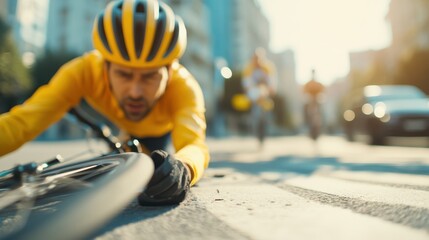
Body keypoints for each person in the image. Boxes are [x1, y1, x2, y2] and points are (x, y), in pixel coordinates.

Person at [0, 0, 209, 206]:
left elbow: (194, 145)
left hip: (157, 134)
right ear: (105, 66)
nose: (135, 92)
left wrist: (184, 168)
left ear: (170, 70)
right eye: (124, 75)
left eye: (149, 77)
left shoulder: (185, 87)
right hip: (117, 125)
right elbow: (21, 123)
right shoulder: (83, 71)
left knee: (155, 169)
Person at [241, 47, 277, 147]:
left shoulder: (267, 67)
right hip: (254, 93)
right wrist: (249, 91)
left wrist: (270, 89)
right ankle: (255, 128)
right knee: (255, 113)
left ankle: (265, 128)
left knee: (267, 111)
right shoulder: (249, 68)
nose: (257, 60)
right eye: (255, 58)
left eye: (258, 58)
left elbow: (272, 81)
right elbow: (246, 83)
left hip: (265, 92)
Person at [302, 69, 325, 140]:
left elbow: (323, 91)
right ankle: (306, 122)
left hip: (317, 100)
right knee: (306, 110)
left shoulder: (318, 83)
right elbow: (304, 91)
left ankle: (319, 127)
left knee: (320, 112)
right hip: (310, 100)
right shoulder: (308, 83)